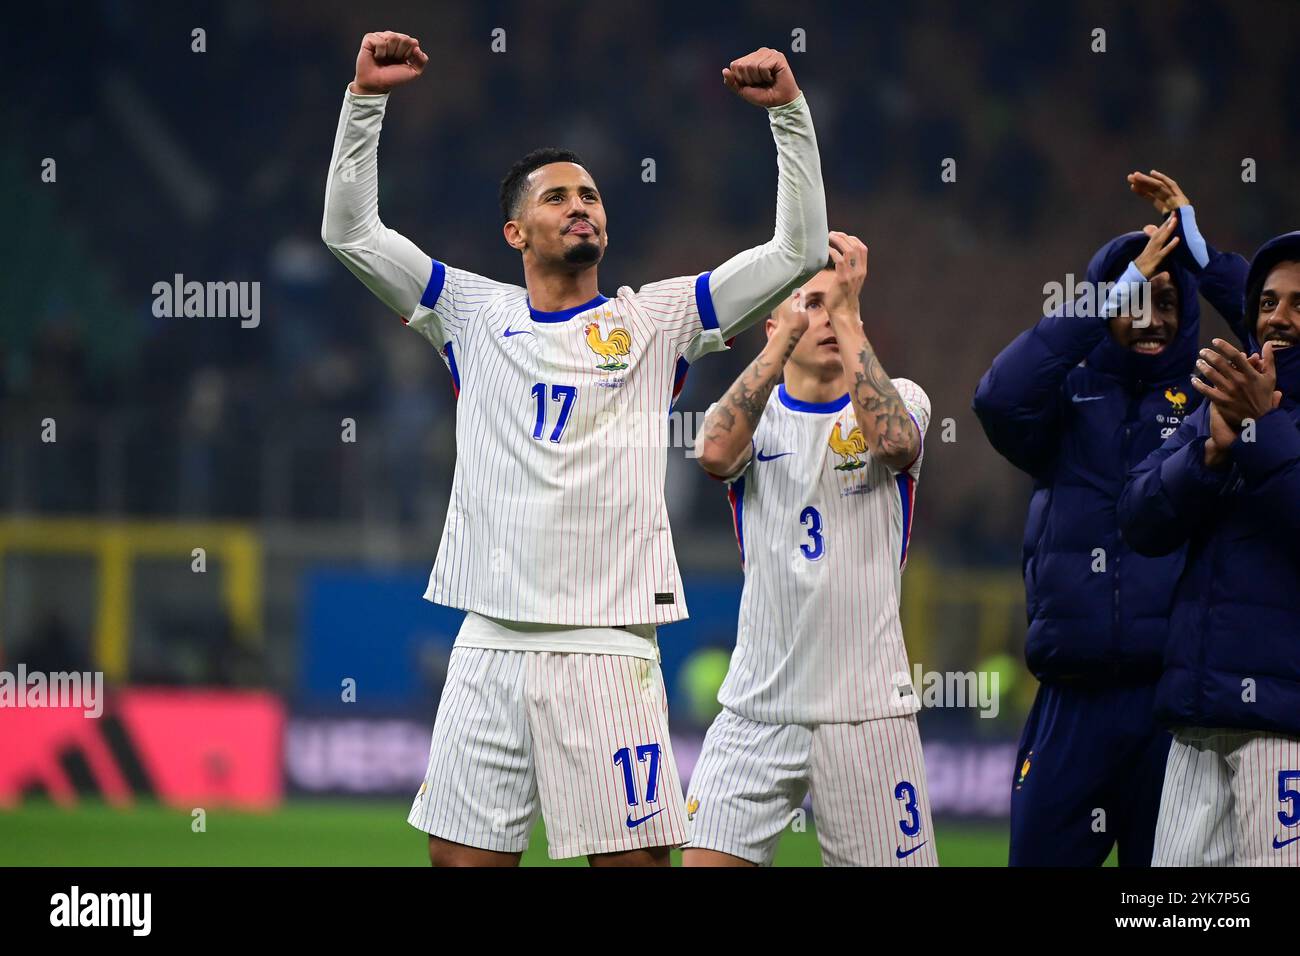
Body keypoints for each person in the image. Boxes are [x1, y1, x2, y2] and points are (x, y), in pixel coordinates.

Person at [321, 31, 827, 866]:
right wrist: (365, 101)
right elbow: (351, 232)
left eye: (590, 195)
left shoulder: (656, 320)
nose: (581, 205)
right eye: (557, 197)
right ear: (516, 232)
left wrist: (789, 119)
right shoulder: (471, 314)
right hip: (489, 641)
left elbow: (795, 253)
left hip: (607, 646)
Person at [972, 171, 1246, 865]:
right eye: (1133, 299)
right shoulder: (1061, 401)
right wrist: (1099, 301)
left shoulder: (1218, 399)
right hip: (1071, 701)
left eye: (1165, 299)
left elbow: (1291, 346)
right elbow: (998, 399)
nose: (1151, 317)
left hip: (1174, 709)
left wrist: (1204, 259)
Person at [684, 232, 936, 866]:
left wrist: (847, 314)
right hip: (754, 709)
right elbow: (713, 453)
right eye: (813, 305)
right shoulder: (751, 416)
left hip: (867, 713)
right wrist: (776, 346)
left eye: (843, 304)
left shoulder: (901, 398)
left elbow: (897, 445)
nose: (829, 318)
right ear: (776, 321)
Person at [1119, 231, 1300, 866]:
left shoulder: (1252, 414)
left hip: (1286, 730)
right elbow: (1138, 521)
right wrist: (1209, 453)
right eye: (1270, 301)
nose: (1280, 316)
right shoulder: (1216, 407)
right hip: (1197, 720)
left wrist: (1259, 429)